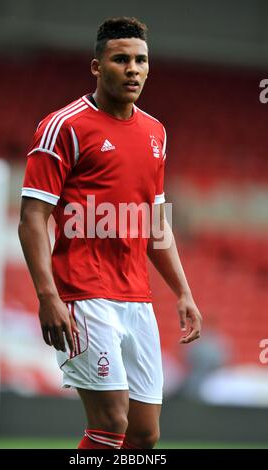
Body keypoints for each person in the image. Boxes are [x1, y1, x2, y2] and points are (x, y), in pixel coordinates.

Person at [18, 16, 202, 450]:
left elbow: (156, 223)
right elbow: (31, 218)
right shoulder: (63, 126)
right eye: (121, 60)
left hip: (136, 297)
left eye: (141, 60)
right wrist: (48, 296)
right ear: (97, 66)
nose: (133, 68)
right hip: (83, 293)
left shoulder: (156, 132)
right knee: (110, 423)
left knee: (144, 434)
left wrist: (183, 292)